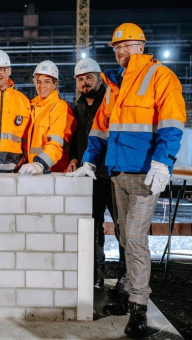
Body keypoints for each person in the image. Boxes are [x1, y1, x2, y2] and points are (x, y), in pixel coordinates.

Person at [67, 23, 186, 338]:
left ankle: (139, 308)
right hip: (118, 172)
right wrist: (91, 160)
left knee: (134, 237)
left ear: (142, 47)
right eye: (117, 47)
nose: (121, 51)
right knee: (123, 235)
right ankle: (126, 294)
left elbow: (172, 123)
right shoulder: (115, 86)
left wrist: (163, 162)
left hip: (146, 174)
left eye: (127, 46)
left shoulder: (161, 77)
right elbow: (100, 130)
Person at [66, 57, 126, 290]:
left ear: (99, 77)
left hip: (113, 175)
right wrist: (73, 158)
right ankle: (95, 278)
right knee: (93, 229)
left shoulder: (112, 101)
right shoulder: (78, 107)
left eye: (89, 77)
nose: (85, 83)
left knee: (123, 229)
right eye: (80, 79)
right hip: (90, 178)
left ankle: (124, 279)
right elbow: (75, 139)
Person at [19, 60, 74, 175]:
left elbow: (56, 143)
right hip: (32, 170)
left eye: (47, 82)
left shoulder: (60, 107)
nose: (42, 86)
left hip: (53, 171)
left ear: (55, 84)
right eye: (38, 82)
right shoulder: (31, 107)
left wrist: (40, 163)